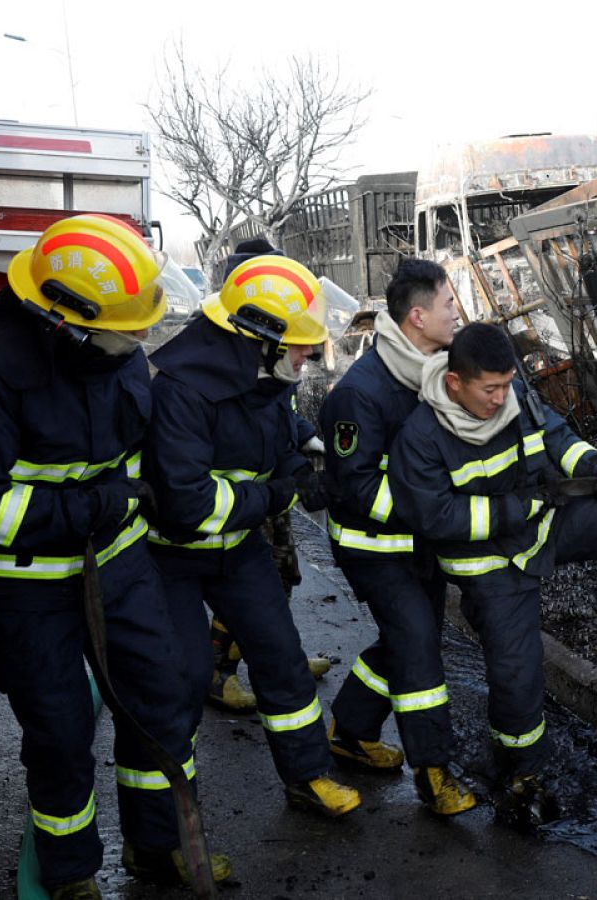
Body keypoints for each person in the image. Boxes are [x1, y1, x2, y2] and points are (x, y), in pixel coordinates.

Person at [0, 214, 230, 898]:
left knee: (164, 701)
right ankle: (71, 876)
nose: (140, 338)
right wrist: (89, 508)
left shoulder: (113, 347)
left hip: (121, 568)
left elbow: (137, 446)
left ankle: (154, 846)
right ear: (64, 322)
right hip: (30, 588)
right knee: (63, 733)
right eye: (128, 328)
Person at [388, 322, 597, 807]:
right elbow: (436, 517)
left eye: (506, 385)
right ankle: (521, 770)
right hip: (491, 566)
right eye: (489, 389)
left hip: (542, 526)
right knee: (518, 675)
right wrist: (517, 508)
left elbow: (557, 437)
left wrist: (596, 467)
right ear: (455, 383)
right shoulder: (421, 438)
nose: (501, 399)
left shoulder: (515, 394)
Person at [142, 253, 361, 819]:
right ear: (259, 337)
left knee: (283, 660)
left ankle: (308, 776)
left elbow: (276, 428)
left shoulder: (260, 371)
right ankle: (168, 826)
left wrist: (304, 457)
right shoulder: (182, 392)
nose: (309, 355)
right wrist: (279, 494)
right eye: (299, 344)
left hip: (237, 550)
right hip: (172, 559)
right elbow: (189, 505)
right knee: (182, 683)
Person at [319, 258, 478, 814]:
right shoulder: (360, 395)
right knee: (416, 648)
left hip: (419, 544)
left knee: (411, 639)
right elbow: (355, 487)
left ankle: (351, 729)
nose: (456, 312)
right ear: (417, 316)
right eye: (448, 304)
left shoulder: (433, 371)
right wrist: (433, 515)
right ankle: (434, 774)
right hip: (374, 550)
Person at [198, 238, 332, 713]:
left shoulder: (273, 344)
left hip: (270, 476)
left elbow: (278, 406)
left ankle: (278, 657)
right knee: (253, 586)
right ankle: (219, 672)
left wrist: (302, 437)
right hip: (241, 490)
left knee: (281, 578)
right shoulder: (239, 342)